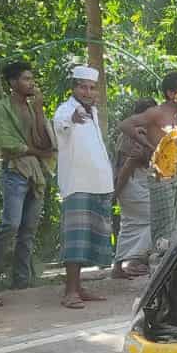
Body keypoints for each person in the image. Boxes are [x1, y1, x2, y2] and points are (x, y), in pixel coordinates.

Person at [0, 59, 56, 291]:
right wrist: (37, 151)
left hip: (36, 174)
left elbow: (44, 140)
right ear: (13, 82)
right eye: (25, 78)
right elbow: (6, 143)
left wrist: (38, 110)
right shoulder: (0, 108)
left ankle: (21, 280)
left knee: (28, 229)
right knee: (11, 224)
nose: (31, 83)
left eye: (31, 78)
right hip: (15, 171)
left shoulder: (32, 107)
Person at [117, 70, 177, 254]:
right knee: (164, 225)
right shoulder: (156, 112)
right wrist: (148, 145)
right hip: (161, 175)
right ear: (171, 94)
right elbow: (125, 125)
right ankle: (161, 263)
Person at [52, 64, 114, 310]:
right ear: (74, 87)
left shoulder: (94, 112)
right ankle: (70, 292)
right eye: (82, 87)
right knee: (75, 238)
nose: (87, 92)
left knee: (91, 238)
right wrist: (73, 118)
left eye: (91, 88)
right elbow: (62, 123)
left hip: (99, 182)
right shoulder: (66, 110)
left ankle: (79, 288)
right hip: (77, 183)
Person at [111, 97, 156, 280]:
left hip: (138, 183)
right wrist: (116, 192)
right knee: (156, 218)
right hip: (132, 183)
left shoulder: (149, 132)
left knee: (130, 225)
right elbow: (125, 166)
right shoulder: (133, 134)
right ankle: (136, 261)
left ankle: (118, 266)